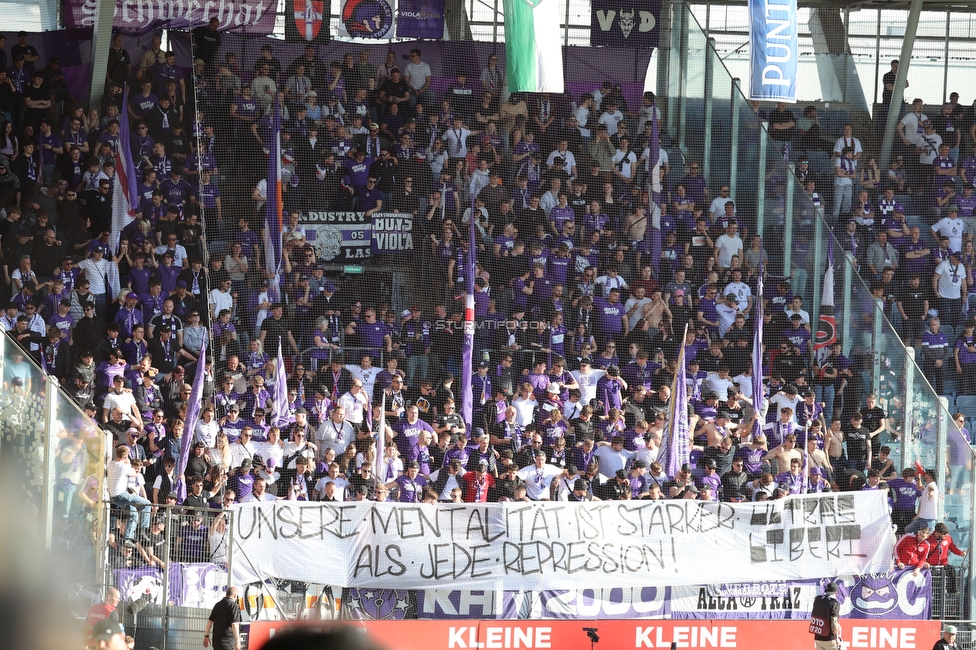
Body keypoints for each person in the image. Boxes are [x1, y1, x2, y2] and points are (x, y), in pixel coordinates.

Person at [809, 582, 841, 650]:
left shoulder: (817, 599)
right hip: (829, 638)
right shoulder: (834, 603)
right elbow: (834, 621)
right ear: (836, 592)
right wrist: (837, 638)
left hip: (818, 637)